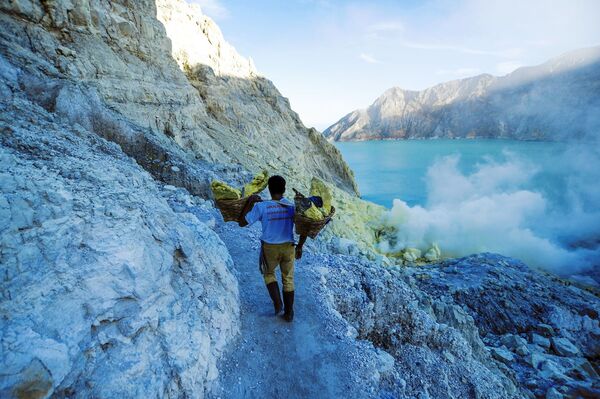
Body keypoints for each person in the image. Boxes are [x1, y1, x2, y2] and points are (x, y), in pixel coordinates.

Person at [238, 175, 307, 322]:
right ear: (284, 189)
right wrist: (300, 246)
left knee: (269, 273)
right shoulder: (292, 206)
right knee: (288, 278)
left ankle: (278, 304)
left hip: (270, 248)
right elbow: (305, 226)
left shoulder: (261, 206)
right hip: (288, 247)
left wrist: (249, 203)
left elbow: (242, 223)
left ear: (269, 189)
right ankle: (289, 313)